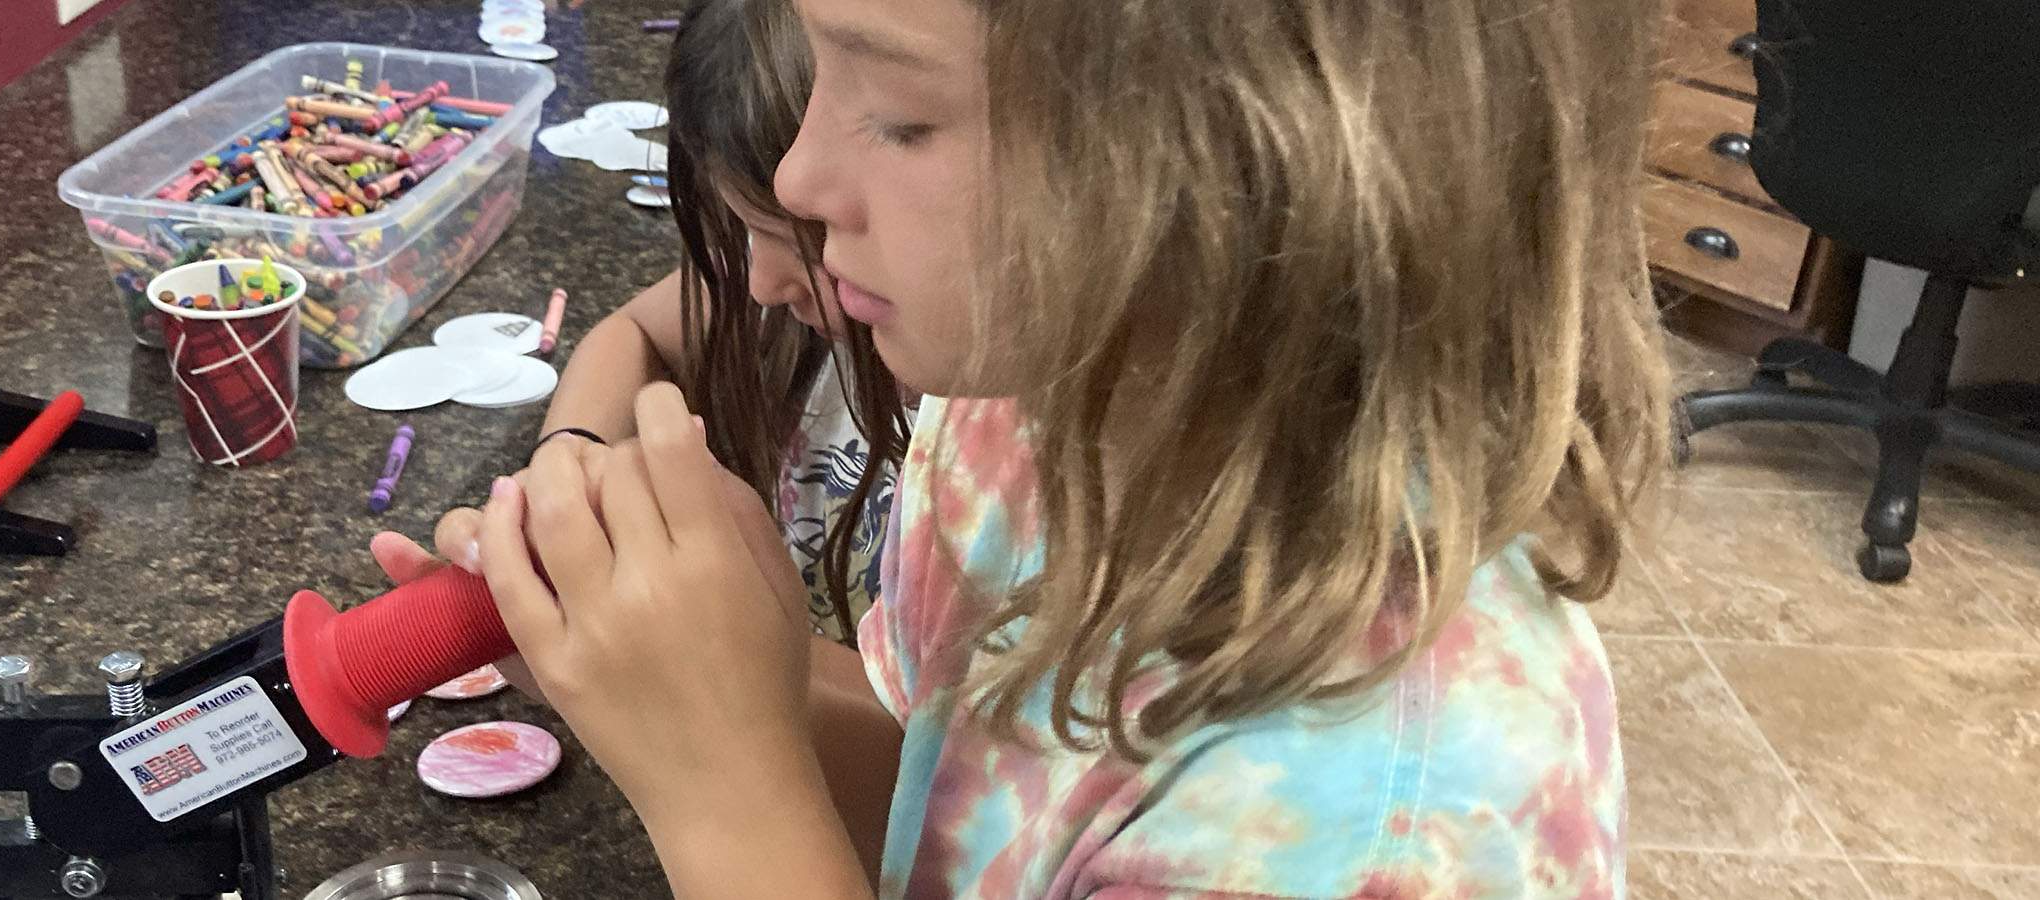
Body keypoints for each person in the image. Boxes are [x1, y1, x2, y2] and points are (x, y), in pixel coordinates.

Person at [461, 0, 1675, 896]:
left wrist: (723, 797)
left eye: (900, 114)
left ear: (1241, 167)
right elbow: (968, 811)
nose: (798, 173)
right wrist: (708, 685)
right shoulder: (1023, 406)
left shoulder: (1370, 828)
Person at [376, 0, 910, 644]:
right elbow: (634, 331)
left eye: (795, 239)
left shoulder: (986, 442)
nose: (761, 285)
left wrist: (668, 660)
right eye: (745, 232)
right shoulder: (799, 293)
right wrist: (569, 458)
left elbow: (917, 738)